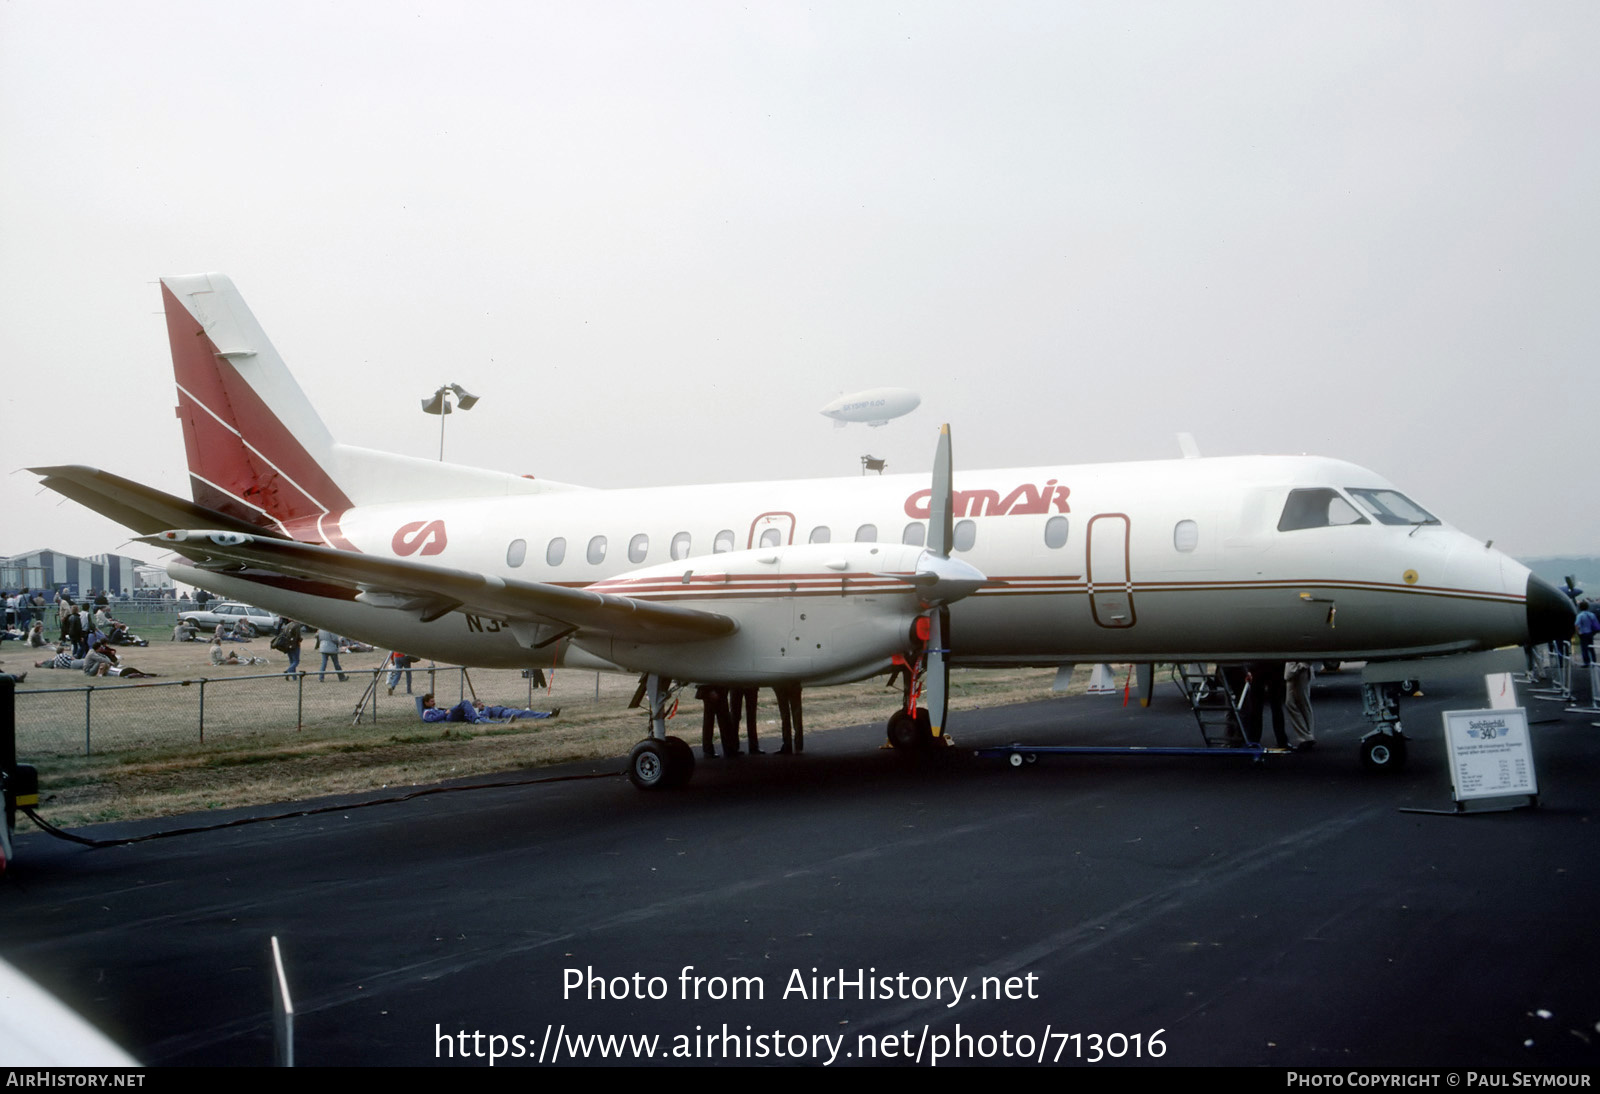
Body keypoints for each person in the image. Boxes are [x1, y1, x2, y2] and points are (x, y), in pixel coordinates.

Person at [418, 693, 558, 723]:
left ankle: (547, 715)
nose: (434, 702)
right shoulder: (426, 713)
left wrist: (487, 707)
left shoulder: (435, 708)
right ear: (426, 703)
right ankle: (480, 720)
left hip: (491, 711)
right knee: (465, 702)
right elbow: (431, 720)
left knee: (517, 712)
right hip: (456, 716)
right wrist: (445, 713)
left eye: (434, 700)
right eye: (431, 701)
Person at [1284, 661, 1316, 750]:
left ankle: (1307, 736)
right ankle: (1307, 735)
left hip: (1299, 668)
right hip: (1293, 668)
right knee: (1292, 703)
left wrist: (1303, 665)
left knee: (1303, 704)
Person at [728, 686, 763, 754]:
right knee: (739, 716)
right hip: (746, 685)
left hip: (738, 685)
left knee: (738, 716)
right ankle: (753, 746)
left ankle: (734, 747)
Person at [774, 683, 804, 754]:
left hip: (781, 684)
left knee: (786, 716)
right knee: (796, 715)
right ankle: (798, 745)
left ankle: (788, 744)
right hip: (793, 684)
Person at [1575, 602, 1598, 667]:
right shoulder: (1592, 614)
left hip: (1583, 633)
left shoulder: (1580, 615)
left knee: (1584, 649)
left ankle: (1586, 662)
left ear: (1580, 607)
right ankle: (1593, 661)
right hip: (1590, 633)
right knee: (1591, 648)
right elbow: (1595, 623)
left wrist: (1578, 633)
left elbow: (1576, 625)